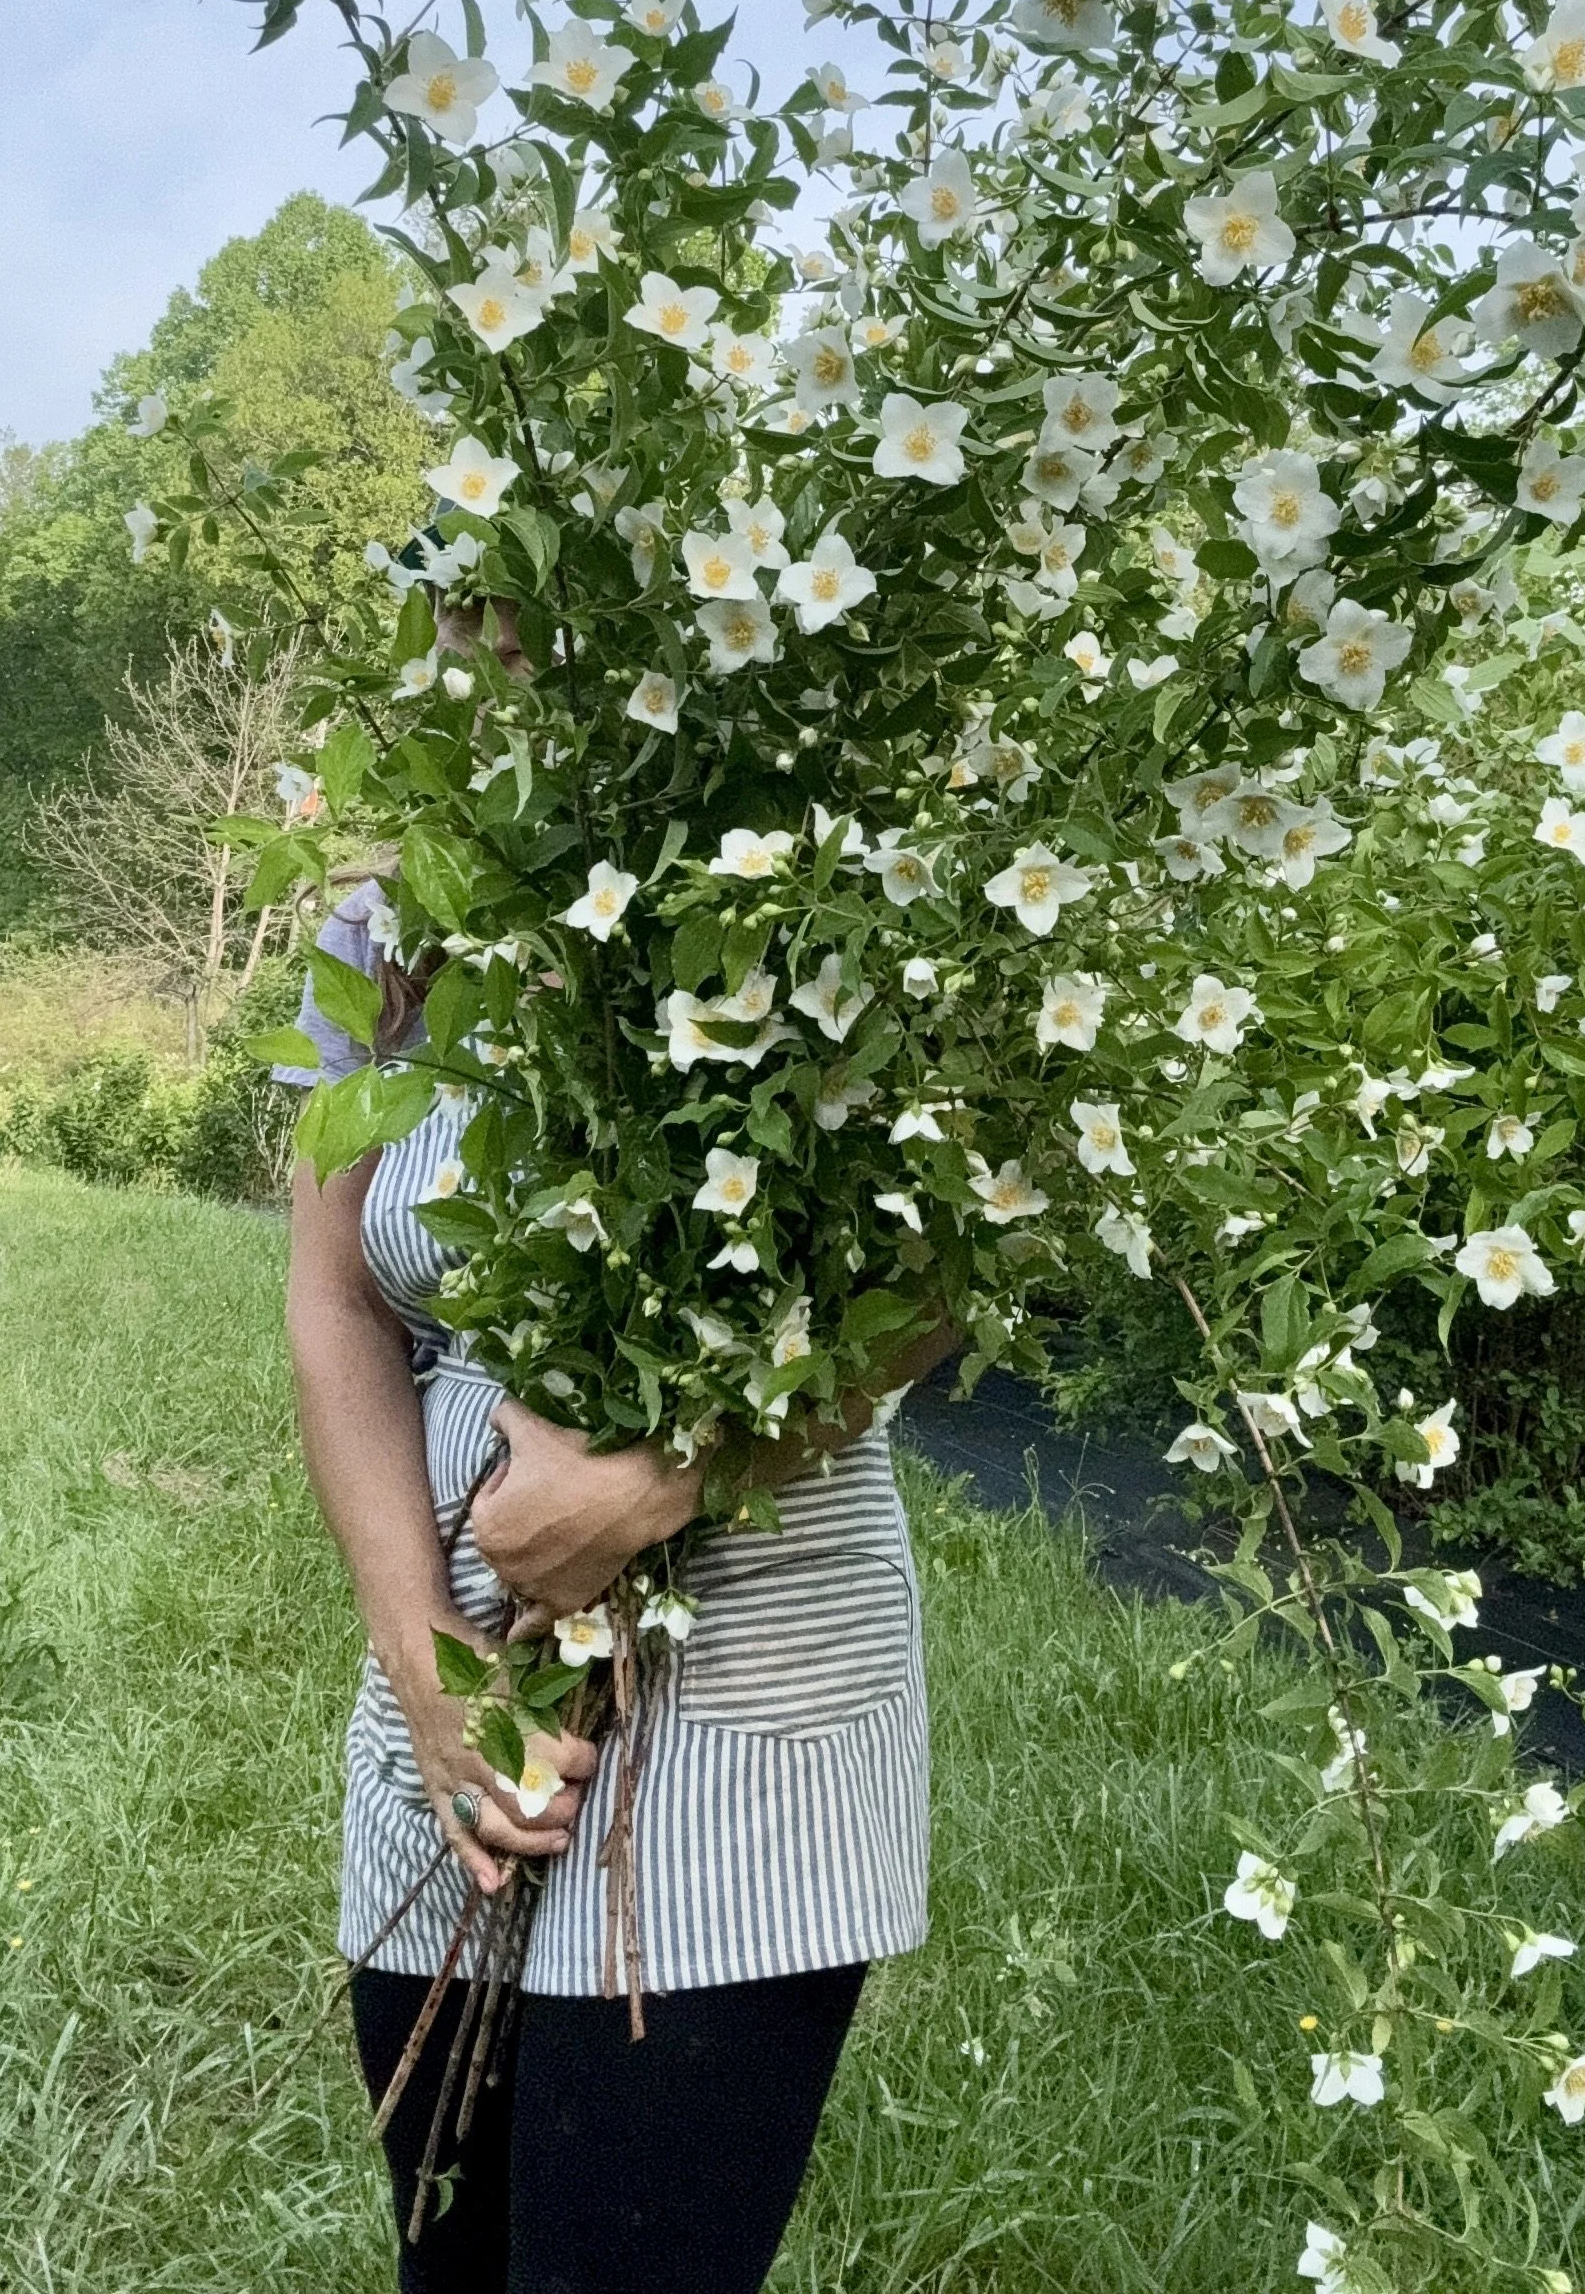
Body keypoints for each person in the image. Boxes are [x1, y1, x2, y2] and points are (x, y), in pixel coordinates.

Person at [281, 882, 952, 2294]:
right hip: (458, 1659)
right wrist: (425, 1671)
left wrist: (658, 1481)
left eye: (519, 632)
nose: (494, 649)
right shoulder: (385, 924)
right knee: (445, 2260)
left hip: (748, 1654)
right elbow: (335, 1296)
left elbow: (944, 1259)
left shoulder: (823, 852)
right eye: (454, 635)